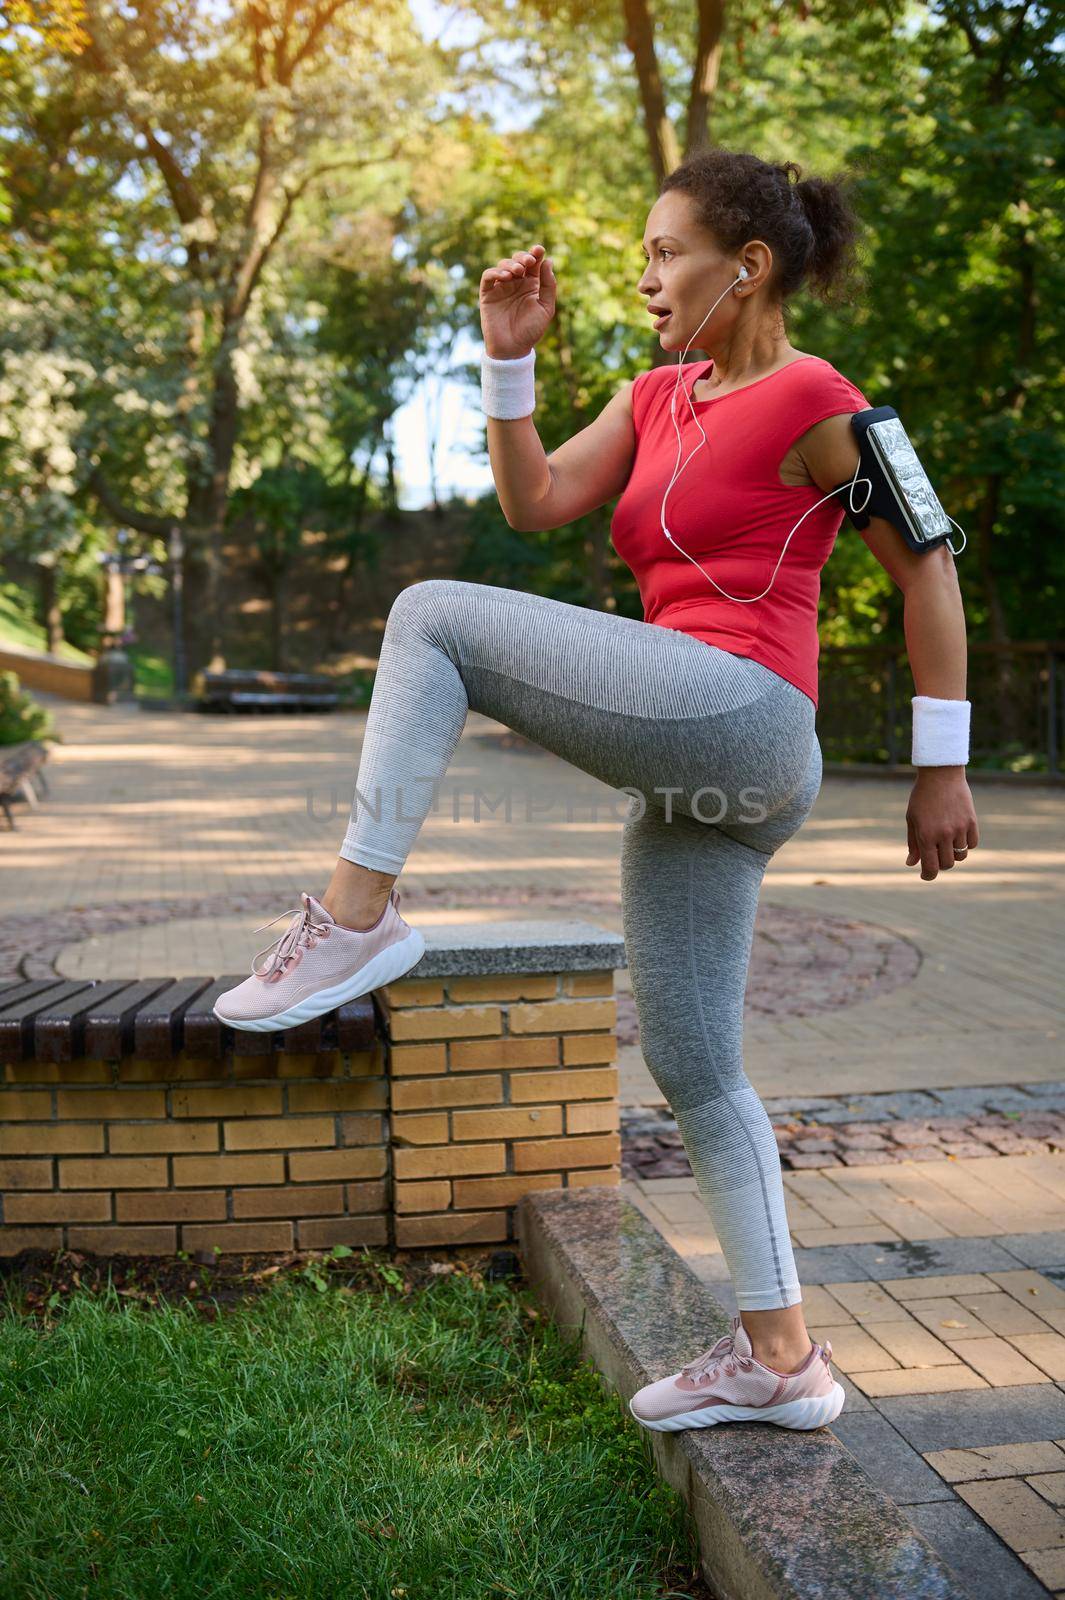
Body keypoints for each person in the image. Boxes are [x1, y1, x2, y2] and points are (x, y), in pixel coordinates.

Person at [215, 147, 978, 1433]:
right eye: (641, 257)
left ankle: (353, 916)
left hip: (744, 719)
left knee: (432, 614)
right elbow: (535, 500)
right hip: (695, 773)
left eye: (667, 253)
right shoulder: (656, 396)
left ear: (748, 265)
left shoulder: (820, 398)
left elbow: (932, 569)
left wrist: (942, 767)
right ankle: (784, 1355)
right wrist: (507, 356)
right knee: (690, 1057)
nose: (646, 279)